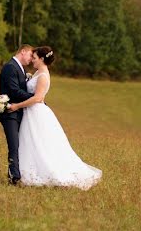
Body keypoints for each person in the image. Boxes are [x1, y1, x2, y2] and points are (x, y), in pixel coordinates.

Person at [7, 46, 102, 190]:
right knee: (30, 142)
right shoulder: (38, 72)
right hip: (30, 113)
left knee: (40, 144)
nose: (32, 59)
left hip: (36, 112)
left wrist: (17, 106)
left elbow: (38, 98)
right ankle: (27, 173)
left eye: (35, 58)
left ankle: (45, 173)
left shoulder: (44, 76)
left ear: (41, 59)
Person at [0, 45, 35, 185]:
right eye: (30, 55)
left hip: (18, 112)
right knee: (14, 145)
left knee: (19, 144)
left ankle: (14, 174)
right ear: (23, 51)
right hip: (10, 113)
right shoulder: (10, 67)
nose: (31, 59)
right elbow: (14, 91)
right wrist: (35, 98)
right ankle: (14, 177)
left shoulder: (20, 68)